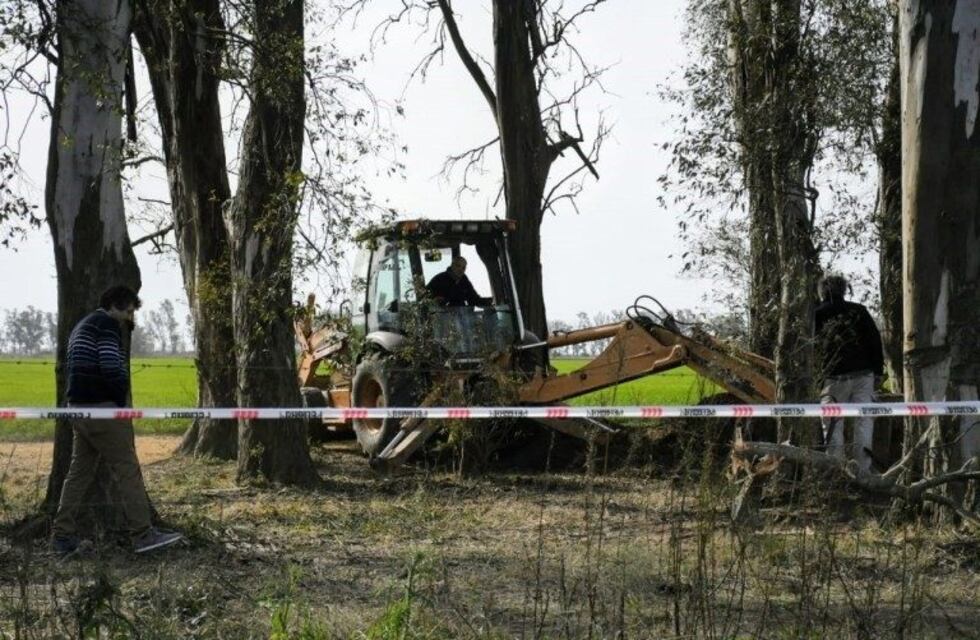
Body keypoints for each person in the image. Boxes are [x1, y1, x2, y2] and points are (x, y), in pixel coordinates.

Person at [51, 285, 183, 555]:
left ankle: (61, 536)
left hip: (78, 408)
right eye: (129, 311)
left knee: (79, 473)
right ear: (116, 305)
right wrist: (120, 399)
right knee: (127, 468)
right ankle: (143, 534)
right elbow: (111, 366)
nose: (130, 318)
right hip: (102, 410)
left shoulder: (83, 325)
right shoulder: (107, 325)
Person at [814, 274, 885, 472]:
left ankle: (836, 470)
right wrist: (878, 372)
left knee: (833, 423)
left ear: (821, 292)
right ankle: (862, 470)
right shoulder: (859, 311)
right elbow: (875, 342)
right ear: (844, 290)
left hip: (834, 379)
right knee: (864, 422)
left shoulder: (816, 314)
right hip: (864, 375)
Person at [425, 256, 493, 308]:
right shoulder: (439, 279)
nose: (460, 270)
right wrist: (435, 301)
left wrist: (490, 301)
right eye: (458, 266)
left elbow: (473, 299)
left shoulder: (464, 280)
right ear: (452, 265)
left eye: (463, 268)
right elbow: (424, 300)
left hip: (461, 319)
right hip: (442, 320)